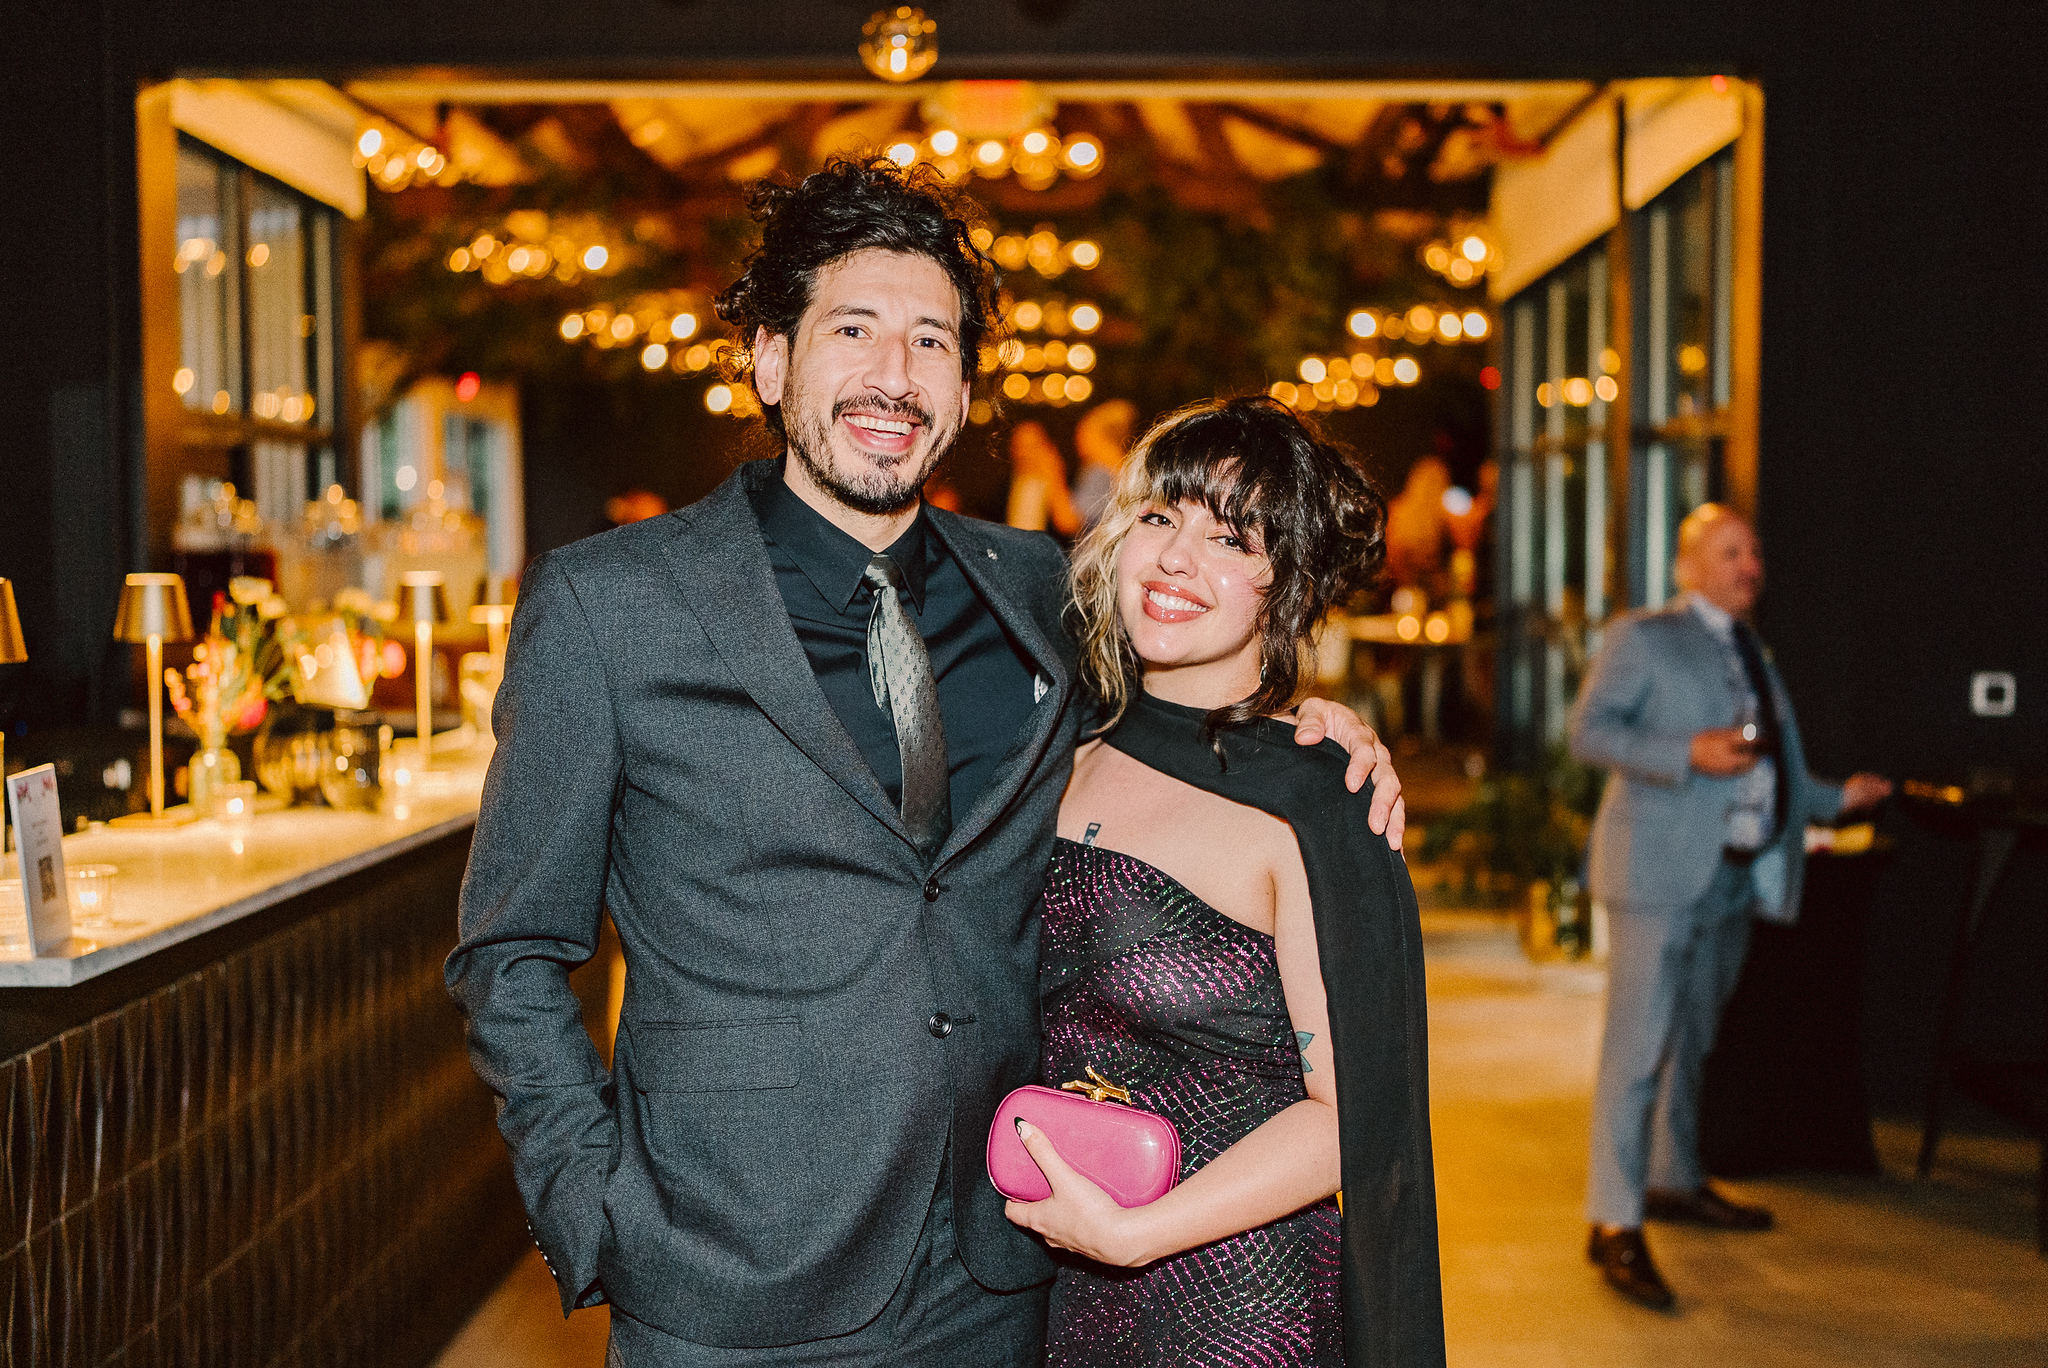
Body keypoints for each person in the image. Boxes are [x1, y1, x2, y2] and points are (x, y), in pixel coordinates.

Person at [445, 156, 1405, 1368]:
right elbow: (510, 952)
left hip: (1002, 1264)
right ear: (769, 359)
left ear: (961, 391)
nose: (894, 376)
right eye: (853, 329)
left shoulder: (1042, 592)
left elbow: (1181, 699)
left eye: (932, 342)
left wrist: (1308, 729)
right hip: (726, 1277)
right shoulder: (608, 605)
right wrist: (597, 1214)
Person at [1003, 396, 1446, 1368]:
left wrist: (1137, 1235)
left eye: (1229, 538)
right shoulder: (1058, 750)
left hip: (1237, 1311)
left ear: (1286, 585)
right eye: (1158, 517)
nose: (1174, 559)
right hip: (1060, 1292)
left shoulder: (1318, 803)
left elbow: (1353, 1117)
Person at [1569, 503, 1892, 1310]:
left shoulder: (1752, 650)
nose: (1751, 566)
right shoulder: (1645, 637)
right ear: (1688, 567)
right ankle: (1613, 1220)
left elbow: (1773, 767)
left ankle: (1673, 1180)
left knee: (1691, 1041)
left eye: (1755, 552)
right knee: (1638, 1049)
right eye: (1731, 552)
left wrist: (1835, 800)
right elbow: (1590, 733)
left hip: (1733, 876)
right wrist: (1686, 753)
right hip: (1655, 873)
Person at [1005, 419, 1083, 536]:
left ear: (1050, 447)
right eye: (1020, 446)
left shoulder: (1071, 481)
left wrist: (1055, 475)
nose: (1026, 454)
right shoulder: (1004, 488)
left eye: (1033, 446)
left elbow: (1069, 524)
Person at [1072, 398, 1137, 530]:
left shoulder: (1099, 470)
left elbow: (1071, 521)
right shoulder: (1125, 468)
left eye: (1083, 433)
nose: (1078, 442)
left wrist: (1052, 473)